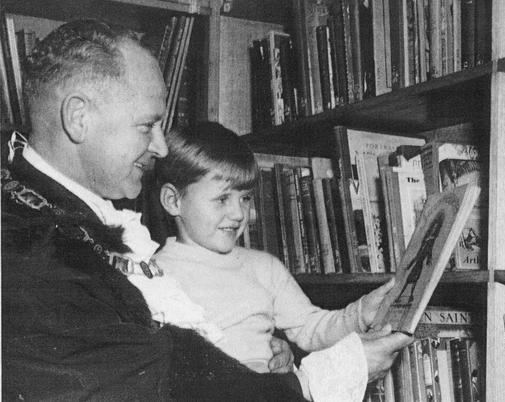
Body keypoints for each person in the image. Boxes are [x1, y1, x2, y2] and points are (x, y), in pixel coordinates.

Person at [1, 19, 412, 401]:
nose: (161, 147)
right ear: (78, 117)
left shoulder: (57, 215)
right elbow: (160, 376)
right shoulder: (27, 248)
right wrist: (315, 379)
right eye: (147, 125)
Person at [147, 121, 396, 376]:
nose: (239, 213)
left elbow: (309, 328)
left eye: (244, 198)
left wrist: (360, 313)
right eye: (222, 199)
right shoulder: (154, 275)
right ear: (173, 201)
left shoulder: (264, 267)